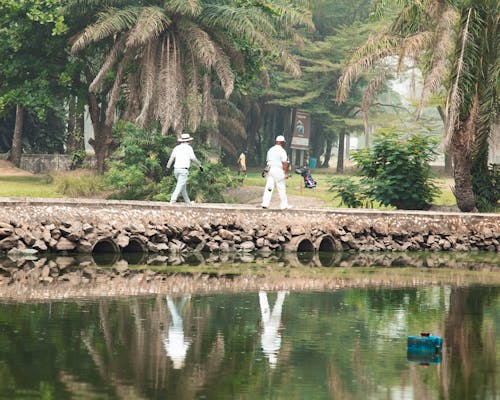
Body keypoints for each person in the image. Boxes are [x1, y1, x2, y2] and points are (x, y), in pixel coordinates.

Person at [166, 133, 203, 204]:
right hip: (183, 170)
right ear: (188, 141)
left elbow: (171, 158)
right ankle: (172, 200)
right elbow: (193, 158)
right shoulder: (189, 148)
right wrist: (199, 165)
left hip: (176, 170)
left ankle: (188, 202)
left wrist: (167, 168)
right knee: (180, 185)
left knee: (183, 187)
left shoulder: (176, 148)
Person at [261, 135, 292, 210]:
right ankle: (284, 205)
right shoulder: (282, 151)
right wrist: (286, 173)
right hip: (278, 169)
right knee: (281, 187)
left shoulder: (270, 150)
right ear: (282, 142)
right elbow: (284, 163)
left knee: (269, 187)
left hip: (270, 169)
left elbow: (268, 161)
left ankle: (265, 203)